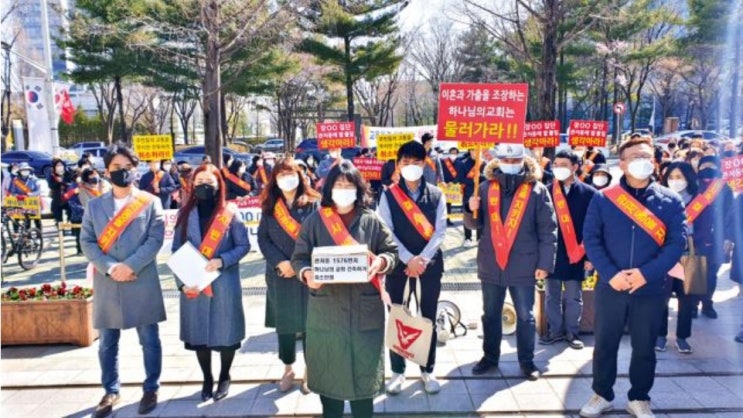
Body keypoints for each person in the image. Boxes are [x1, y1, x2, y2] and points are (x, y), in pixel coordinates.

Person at [579, 136, 686, 418]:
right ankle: (602, 394)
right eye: (635, 156)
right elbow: (591, 238)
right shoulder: (603, 198)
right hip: (611, 285)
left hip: (650, 287)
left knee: (644, 347)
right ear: (623, 163)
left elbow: (677, 244)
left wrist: (645, 274)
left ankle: (639, 397)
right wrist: (611, 274)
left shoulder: (670, 200)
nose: (642, 161)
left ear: (654, 161)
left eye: (647, 157)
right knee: (604, 344)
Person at [291, 160, 397, 418]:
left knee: (364, 387)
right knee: (331, 389)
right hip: (327, 312)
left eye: (349, 185)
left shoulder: (371, 220)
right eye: (339, 184)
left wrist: (382, 262)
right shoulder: (316, 221)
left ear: (359, 189)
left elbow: (391, 252)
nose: (344, 189)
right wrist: (306, 274)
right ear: (329, 189)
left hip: (365, 311)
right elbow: (299, 258)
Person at [79, 144, 166, 418]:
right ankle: (110, 390)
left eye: (127, 167)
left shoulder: (150, 202)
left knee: (149, 339)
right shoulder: (94, 206)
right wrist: (111, 267)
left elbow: (155, 239)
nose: (122, 172)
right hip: (108, 282)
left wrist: (129, 265)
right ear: (107, 171)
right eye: (116, 168)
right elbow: (87, 241)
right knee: (107, 342)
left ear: (135, 169)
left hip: (140, 279)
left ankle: (151, 387)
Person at [465, 144, 558, 381]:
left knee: (525, 316)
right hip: (491, 262)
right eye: (505, 159)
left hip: (525, 264)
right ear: (498, 161)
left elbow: (548, 230)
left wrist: (545, 264)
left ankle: (526, 360)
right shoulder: (485, 188)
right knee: (490, 314)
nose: (510, 163)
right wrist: (469, 209)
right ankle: (490, 356)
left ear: (523, 160)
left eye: (514, 159)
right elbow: (474, 225)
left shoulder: (537, 190)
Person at [171, 164, 250, 402]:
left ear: (218, 185)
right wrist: (181, 283)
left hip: (224, 283)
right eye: (199, 180)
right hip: (194, 284)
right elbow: (176, 250)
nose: (204, 185)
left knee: (227, 335)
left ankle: (225, 375)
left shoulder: (230, 212)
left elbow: (243, 246)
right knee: (199, 336)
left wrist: (222, 260)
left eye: (210, 181)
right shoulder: (185, 213)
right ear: (193, 184)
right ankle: (207, 377)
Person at [377, 141, 448, 395]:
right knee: (399, 318)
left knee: (427, 317)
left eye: (416, 163)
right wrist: (408, 259)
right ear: (398, 165)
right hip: (398, 267)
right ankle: (398, 371)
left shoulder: (437, 194)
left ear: (424, 164)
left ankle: (427, 369)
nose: (411, 167)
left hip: (429, 266)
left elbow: (440, 232)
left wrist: (422, 260)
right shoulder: (387, 195)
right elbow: (386, 232)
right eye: (405, 163)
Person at [257, 157, 320, 393]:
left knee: (309, 324)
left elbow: (317, 238)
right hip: (279, 274)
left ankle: (309, 370)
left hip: (306, 274)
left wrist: (298, 264)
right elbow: (263, 239)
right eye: (281, 174)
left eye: (291, 173)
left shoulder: (313, 203)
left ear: (300, 175)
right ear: (275, 179)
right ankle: (287, 368)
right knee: (284, 326)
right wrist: (280, 263)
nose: (287, 178)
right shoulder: (269, 205)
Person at [541, 150, 598, 350]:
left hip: (577, 253)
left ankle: (572, 332)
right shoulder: (545, 191)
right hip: (552, 252)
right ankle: (554, 331)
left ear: (575, 166)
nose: (558, 168)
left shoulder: (590, 194)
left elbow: (594, 228)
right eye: (555, 164)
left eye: (563, 164)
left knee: (574, 296)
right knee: (551, 295)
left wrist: (590, 256)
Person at [656, 162, 698, 353]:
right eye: (671, 177)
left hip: (690, 255)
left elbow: (707, 229)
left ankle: (682, 337)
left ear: (688, 178)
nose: (675, 181)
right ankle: (660, 335)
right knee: (661, 297)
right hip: (665, 255)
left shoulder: (699, 200)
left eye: (679, 177)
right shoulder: (659, 199)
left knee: (687, 298)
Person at [689, 156, 735, 319]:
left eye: (711, 166)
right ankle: (693, 305)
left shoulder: (724, 188)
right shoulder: (692, 185)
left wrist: (729, 237)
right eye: (704, 166)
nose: (707, 169)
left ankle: (707, 304)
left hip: (718, 237)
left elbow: (731, 214)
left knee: (711, 274)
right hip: (696, 237)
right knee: (695, 272)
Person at [456, 149, 484, 246]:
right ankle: (468, 238)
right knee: (467, 215)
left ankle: (479, 238)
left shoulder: (484, 163)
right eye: (473, 150)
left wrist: (481, 178)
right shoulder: (463, 163)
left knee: (481, 215)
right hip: (468, 193)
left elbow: (488, 178)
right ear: (470, 151)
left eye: (476, 150)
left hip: (481, 194)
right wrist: (472, 181)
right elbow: (460, 179)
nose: (475, 152)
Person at [9, 163, 42, 230]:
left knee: (36, 219)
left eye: (26, 169)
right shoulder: (16, 180)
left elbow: (38, 191)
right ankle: (17, 233)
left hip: (32, 202)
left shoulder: (34, 179)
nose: (25, 171)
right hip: (19, 202)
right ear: (20, 171)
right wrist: (19, 196)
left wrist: (31, 195)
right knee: (17, 217)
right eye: (23, 170)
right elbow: (12, 192)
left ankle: (38, 233)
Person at [48, 158, 73, 226]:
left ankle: (69, 224)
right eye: (57, 165)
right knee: (57, 212)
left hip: (68, 197)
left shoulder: (68, 173)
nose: (59, 167)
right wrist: (57, 182)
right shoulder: (52, 175)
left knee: (71, 209)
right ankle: (60, 227)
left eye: (61, 165)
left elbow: (71, 184)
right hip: (57, 197)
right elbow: (51, 186)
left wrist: (63, 181)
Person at [440, 147, 460, 226]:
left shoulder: (459, 163)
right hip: (444, 185)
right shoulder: (443, 162)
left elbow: (460, 174)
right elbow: (440, 172)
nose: (453, 154)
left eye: (455, 153)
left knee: (449, 204)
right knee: (442, 203)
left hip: (453, 186)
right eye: (452, 153)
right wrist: (443, 181)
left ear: (457, 154)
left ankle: (448, 219)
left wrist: (453, 182)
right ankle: (442, 219)